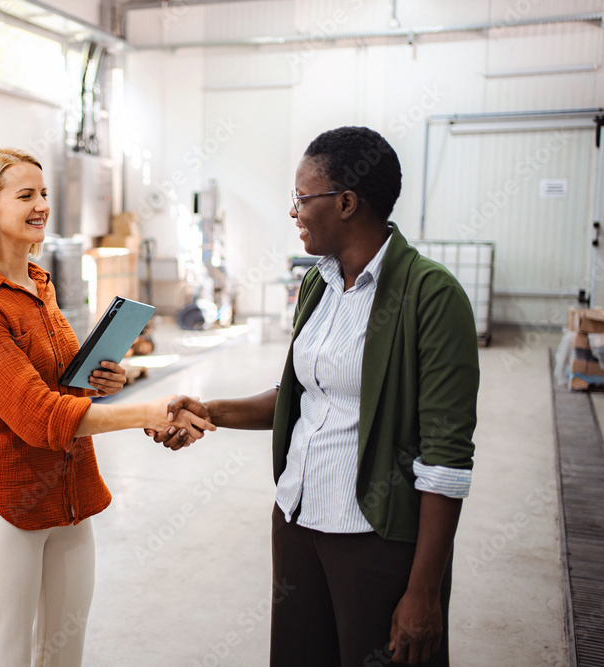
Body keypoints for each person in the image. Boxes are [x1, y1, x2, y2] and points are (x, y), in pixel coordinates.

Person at [150, 127, 479, 666]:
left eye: (302, 199)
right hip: (298, 520)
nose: (293, 211)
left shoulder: (430, 295)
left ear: (346, 203)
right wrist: (212, 412)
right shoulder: (318, 284)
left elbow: (445, 459)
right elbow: (301, 395)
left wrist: (425, 590)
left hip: (372, 536)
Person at [0, 147, 214, 667]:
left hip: (69, 497)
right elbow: (41, 415)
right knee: (6, 655)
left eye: (43, 193)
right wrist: (146, 412)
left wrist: (102, 379)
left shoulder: (38, 285)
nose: (42, 204)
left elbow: (68, 387)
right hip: (6, 505)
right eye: (25, 195)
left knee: (64, 653)